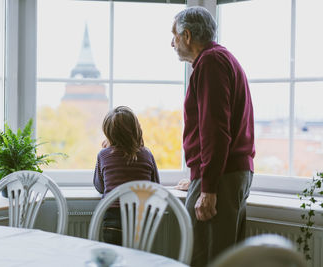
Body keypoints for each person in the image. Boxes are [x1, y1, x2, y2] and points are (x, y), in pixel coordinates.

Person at [171, 6, 255, 267]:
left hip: (222, 179)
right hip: (226, 175)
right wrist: (198, 175)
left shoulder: (210, 62)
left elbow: (215, 131)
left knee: (206, 258)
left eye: (173, 35)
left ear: (186, 36)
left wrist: (207, 188)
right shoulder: (221, 59)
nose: (170, 43)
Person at [93, 106, 160, 245]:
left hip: (113, 221)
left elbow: (99, 187)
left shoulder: (103, 155)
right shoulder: (147, 154)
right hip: (141, 221)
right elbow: (155, 186)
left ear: (108, 133)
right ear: (136, 129)